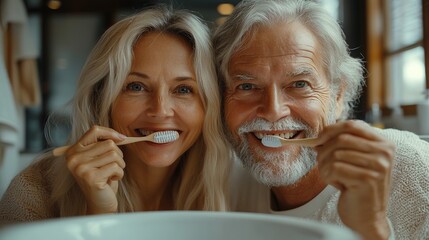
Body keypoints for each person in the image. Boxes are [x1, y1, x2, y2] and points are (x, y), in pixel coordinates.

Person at [213, 0, 429, 239]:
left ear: (337, 96)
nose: (273, 111)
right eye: (247, 86)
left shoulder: (416, 172)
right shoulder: (224, 182)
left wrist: (371, 228)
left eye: (299, 84)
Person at [0, 5, 230, 224]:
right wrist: (97, 215)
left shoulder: (236, 187)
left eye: (183, 90)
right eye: (136, 87)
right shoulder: (35, 190)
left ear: (210, 105)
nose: (160, 110)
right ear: (102, 98)